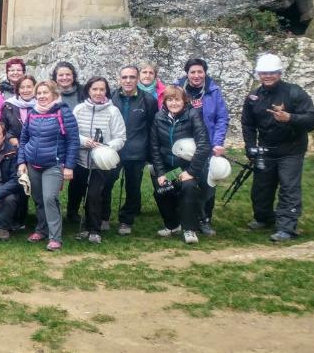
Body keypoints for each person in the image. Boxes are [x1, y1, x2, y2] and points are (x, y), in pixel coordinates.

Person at [242, 53, 314, 242]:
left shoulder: (295, 92)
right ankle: (263, 218)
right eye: (263, 73)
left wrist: (290, 118)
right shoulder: (253, 97)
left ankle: (287, 227)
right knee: (261, 188)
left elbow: (312, 119)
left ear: (279, 73)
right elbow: (247, 124)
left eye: (272, 73)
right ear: (258, 74)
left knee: (288, 188)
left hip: (291, 150)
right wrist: (251, 147)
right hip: (266, 149)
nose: (267, 76)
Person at [16, 81, 80, 251]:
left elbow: (73, 141)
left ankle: (55, 237)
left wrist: (69, 166)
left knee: (50, 198)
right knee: (38, 199)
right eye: (39, 93)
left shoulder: (64, 112)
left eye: (46, 92)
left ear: (54, 94)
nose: (42, 96)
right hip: (33, 164)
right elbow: (24, 140)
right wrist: (21, 161)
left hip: (54, 164)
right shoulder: (32, 113)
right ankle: (41, 230)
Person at [149, 85, 212, 245]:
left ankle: (189, 229)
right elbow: (155, 148)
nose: (173, 103)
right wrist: (161, 173)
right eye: (169, 99)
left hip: (187, 168)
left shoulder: (193, 115)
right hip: (169, 169)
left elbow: (204, 145)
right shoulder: (159, 117)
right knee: (161, 191)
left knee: (188, 188)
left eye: (177, 99)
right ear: (165, 102)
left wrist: (191, 172)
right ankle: (172, 225)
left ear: (184, 101)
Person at [67, 77, 127, 243]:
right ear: (88, 90)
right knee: (80, 191)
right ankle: (81, 221)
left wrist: (105, 146)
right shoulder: (79, 109)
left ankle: (94, 229)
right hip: (80, 160)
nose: (98, 93)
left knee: (94, 194)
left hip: (101, 162)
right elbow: (71, 132)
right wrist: (84, 141)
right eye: (95, 89)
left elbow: (121, 137)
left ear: (106, 91)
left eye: (102, 90)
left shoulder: (113, 111)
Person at [175, 58, 229, 236]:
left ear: (205, 72)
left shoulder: (213, 91)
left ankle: (204, 220)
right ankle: (182, 218)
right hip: (183, 145)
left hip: (208, 145)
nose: (196, 75)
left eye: (200, 72)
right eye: (193, 72)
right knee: (183, 182)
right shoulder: (178, 90)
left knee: (208, 184)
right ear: (187, 74)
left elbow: (222, 118)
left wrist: (218, 142)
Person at [106, 65, 158, 235]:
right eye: (125, 77)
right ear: (119, 79)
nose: (128, 81)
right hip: (114, 150)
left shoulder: (148, 100)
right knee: (106, 184)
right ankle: (103, 217)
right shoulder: (111, 97)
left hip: (137, 151)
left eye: (132, 77)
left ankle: (126, 220)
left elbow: (152, 127)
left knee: (133, 187)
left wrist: (150, 152)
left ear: (137, 79)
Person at [0, 75, 37, 147]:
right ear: (18, 90)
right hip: (15, 148)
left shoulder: (42, 105)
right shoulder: (8, 105)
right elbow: (2, 127)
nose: (25, 90)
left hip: (36, 148)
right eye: (22, 87)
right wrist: (10, 138)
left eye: (29, 87)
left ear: (35, 88)